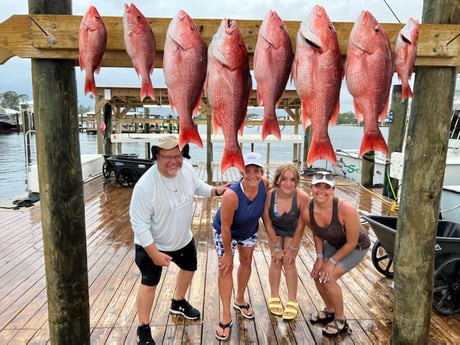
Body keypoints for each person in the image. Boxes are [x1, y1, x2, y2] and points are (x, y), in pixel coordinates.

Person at [130, 135, 227, 345]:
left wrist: (216, 191)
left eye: (178, 155)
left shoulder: (187, 169)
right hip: (152, 244)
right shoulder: (145, 186)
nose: (174, 161)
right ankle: (143, 328)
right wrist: (154, 254)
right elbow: (139, 224)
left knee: (189, 268)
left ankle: (178, 301)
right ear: (156, 156)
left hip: (183, 238)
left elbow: (197, 185)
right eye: (167, 157)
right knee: (149, 284)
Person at [301, 171, 370, 337]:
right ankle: (330, 309)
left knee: (329, 277)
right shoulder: (307, 210)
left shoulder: (346, 209)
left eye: (327, 187)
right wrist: (319, 258)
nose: (322, 191)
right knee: (318, 274)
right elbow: (317, 233)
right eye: (318, 186)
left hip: (356, 247)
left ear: (333, 190)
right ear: (311, 188)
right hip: (333, 242)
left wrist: (331, 261)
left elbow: (351, 243)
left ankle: (340, 319)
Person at [212, 152, 269, 341]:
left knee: (246, 262)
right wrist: (228, 254)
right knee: (225, 269)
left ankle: (240, 299)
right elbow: (226, 228)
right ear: (241, 172)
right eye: (248, 170)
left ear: (262, 172)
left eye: (257, 170)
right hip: (225, 232)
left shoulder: (265, 184)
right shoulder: (231, 195)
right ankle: (226, 316)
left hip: (249, 229)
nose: (252, 174)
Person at [262, 163, 309, 320]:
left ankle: (292, 300)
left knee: (289, 262)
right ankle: (274, 296)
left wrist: (293, 248)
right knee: (276, 260)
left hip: (292, 229)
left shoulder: (302, 198)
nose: (288, 183)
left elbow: (302, 225)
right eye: (284, 179)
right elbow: (267, 222)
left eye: (292, 180)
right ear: (277, 180)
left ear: (296, 182)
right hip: (274, 229)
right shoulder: (269, 196)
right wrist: (276, 247)